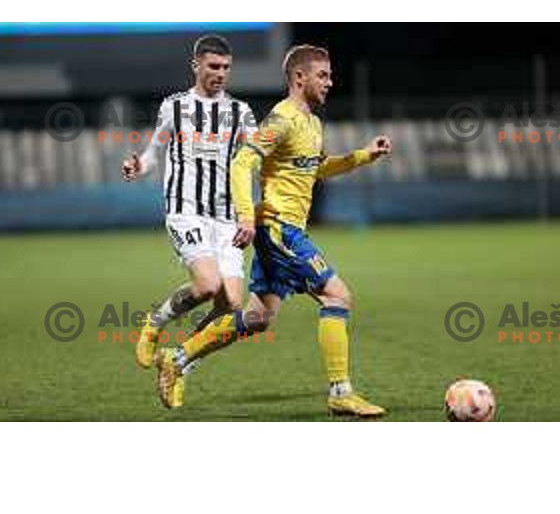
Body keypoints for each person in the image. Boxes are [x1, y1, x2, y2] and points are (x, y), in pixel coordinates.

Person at [154, 44, 392, 418]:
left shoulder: (311, 122)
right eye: (323, 75)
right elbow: (241, 162)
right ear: (299, 77)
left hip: (283, 229)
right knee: (338, 296)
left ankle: (178, 358)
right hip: (278, 228)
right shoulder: (281, 120)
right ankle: (340, 391)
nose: (330, 82)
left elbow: (314, 169)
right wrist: (247, 216)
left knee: (258, 317)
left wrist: (363, 156)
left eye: (330, 75)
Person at [121, 35, 256, 405]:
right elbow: (153, 153)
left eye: (226, 67)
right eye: (213, 66)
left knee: (231, 306)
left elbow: (258, 156)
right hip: (186, 209)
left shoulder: (241, 112)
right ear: (195, 65)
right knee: (209, 286)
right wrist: (138, 166)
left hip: (227, 217)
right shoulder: (175, 107)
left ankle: (179, 364)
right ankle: (155, 322)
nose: (220, 74)